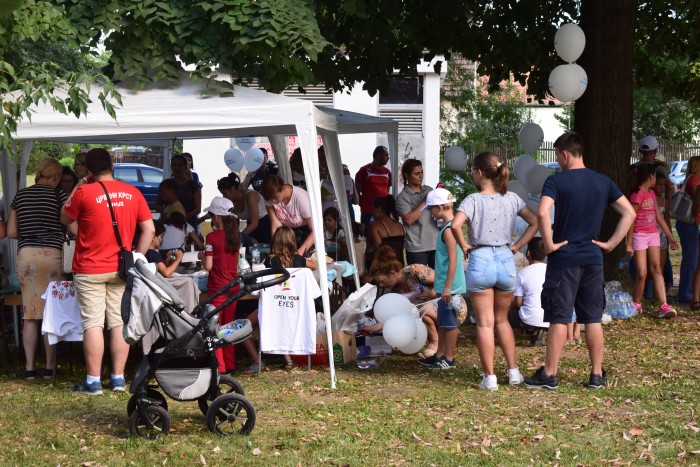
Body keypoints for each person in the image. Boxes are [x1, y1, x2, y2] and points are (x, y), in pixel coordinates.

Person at [523, 132, 635, 390]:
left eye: (558, 156)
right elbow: (629, 212)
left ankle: (550, 374)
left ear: (564, 154)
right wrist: (610, 244)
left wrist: (549, 245)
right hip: (593, 258)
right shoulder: (602, 181)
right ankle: (596, 375)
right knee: (593, 318)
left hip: (564, 259)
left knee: (559, 317)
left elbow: (542, 212)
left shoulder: (556, 181)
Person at [61, 148, 155, 395]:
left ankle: (93, 381)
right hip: (121, 268)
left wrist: (78, 189)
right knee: (118, 323)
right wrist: (138, 256)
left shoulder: (83, 191)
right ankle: (117, 379)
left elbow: (64, 217)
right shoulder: (132, 192)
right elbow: (149, 229)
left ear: (89, 171)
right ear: (112, 165)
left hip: (89, 267)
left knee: (92, 324)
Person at [451, 152, 538, 391]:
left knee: (485, 323)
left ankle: (490, 378)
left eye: (473, 170)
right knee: (502, 320)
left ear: (479, 173)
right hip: (505, 259)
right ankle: (513, 372)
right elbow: (535, 222)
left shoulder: (472, 200)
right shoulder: (512, 198)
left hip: (480, 260)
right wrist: (518, 246)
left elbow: (455, 226)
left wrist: (464, 245)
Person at [7, 158, 71, 380]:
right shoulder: (59, 196)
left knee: (30, 313)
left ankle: (29, 367)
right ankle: (49, 367)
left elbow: (12, 231)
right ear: (54, 177)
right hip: (53, 255)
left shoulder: (20, 195)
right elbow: (71, 227)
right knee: (50, 311)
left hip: (27, 257)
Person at [240, 226, 317, 374]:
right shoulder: (300, 261)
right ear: (292, 242)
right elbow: (314, 266)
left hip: (273, 309)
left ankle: (258, 362)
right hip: (294, 309)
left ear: (274, 242)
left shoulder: (269, 261)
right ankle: (287, 358)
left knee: (243, 328)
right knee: (284, 320)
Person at [410, 188, 465, 371]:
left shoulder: (449, 230)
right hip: (445, 286)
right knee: (443, 322)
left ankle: (448, 358)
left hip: (451, 287)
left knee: (449, 324)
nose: (430, 212)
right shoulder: (446, 229)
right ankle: (440, 355)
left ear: (440, 207)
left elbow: (453, 259)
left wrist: (448, 287)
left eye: (431, 208)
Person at [360, 245, 443, 357]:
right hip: (432, 310)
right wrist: (373, 328)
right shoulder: (396, 290)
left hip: (448, 304)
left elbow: (442, 279)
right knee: (416, 309)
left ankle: (437, 341)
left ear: (392, 273)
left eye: (381, 281)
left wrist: (432, 292)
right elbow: (395, 315)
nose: (380, 285)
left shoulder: (414, 271)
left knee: (419, 308)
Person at [626, 164, 678, 317]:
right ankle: (637, 304)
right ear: (650, 176)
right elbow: (631, 220)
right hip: (639, 236)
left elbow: (658, 217)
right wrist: (629, 244)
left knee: (657, 268)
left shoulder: (651, 194)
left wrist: (670, 236)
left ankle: (664, 305)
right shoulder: (637, 195)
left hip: (653, 234)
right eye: (655, 176)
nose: (656, 179)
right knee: (642, 272)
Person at [199, 196, 241, 374]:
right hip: (233, 286)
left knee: (215, 328)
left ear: (216, 216)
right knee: (229, 327)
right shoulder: (236, 236)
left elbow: (208, 266)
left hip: (218, 287)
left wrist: (202, 258)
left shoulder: (211, 237)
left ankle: (219, 367)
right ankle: (230, 365)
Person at [395, 159, 439, 268]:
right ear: (407, 175)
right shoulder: (402, 197)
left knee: (438, 280)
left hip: (436, 243)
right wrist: (424, 201)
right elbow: (409, 219)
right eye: (417, 173)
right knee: (418, 284)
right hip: (417, 248)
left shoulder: (428, 189)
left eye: (422, 172)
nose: (421, 176)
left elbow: (440, 212)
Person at [509, 238, 549, 346]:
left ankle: (527, 331)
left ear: (528, 253)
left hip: (528, 319)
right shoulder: (551, 271)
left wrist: (508, 304)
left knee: (508, 312)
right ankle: (538, 330)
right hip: (551, 318)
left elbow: (518, 303)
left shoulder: (522, 274)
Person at [261, 174, 314, 255]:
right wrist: (275, 249)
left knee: (301, 262)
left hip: (306, 234)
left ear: (282, 189)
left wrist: (299, 253)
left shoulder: (301, 198)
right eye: (270, 199)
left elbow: (315, 232)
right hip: (286, 233)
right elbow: (275, 225)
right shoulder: (270, 198)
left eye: (275, 197)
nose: (273, 201)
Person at [218, 172, 272, 244]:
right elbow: (234, 222)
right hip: (251, 225)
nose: (224, 197)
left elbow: (254, 223)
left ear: (233, 189)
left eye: (225, 193)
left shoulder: (250, 196)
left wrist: (239, 237)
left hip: (265, 225)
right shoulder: (231, 201)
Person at [675, 155, 700, 303]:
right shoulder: (695, 179)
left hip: (686, 223)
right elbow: (698, 198)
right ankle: (686, 294)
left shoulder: (689, 178)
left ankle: (688, 292)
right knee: (691, 259)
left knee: (691, 258)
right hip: (690, 223)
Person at [355, 146, 391, 235]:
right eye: (386, 155)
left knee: (384, 236)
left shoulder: (387, 172)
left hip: (384, 211)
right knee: (368, 237)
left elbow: (387, 189)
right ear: (378, 155)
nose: (388, 158)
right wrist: (362, 203)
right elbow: (357, 190)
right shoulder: (364, 170)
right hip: (368, 211)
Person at [366, 195, 405, 271]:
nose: (371, 211)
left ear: (379, 209)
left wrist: (371, 271)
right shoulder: (400, 225)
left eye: (372, 208)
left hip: (383, 268)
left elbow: (378, 250)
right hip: (399, 266)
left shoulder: (375, 225)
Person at [167, 154, 202, 229]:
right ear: (171, 167)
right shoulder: (167, 184)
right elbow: (160, 204)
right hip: (171, 225)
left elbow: (198, 209)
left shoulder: (193, 185)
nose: (177, 168)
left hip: (189, 226)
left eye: (180, 165)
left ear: (185, 167)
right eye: (174, 165)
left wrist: (183, 217)